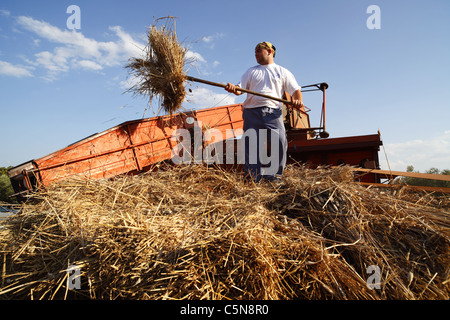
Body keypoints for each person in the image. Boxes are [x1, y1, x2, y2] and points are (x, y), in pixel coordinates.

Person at [225, 41, 304, 182]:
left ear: (269, 51)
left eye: (258, 51)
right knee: (251, 145)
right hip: (251, 113)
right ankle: (252, 178)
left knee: (279, 142)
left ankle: (273, 177)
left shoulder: (282, 71)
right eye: (255, 52)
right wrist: (233, 88)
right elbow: (239, 88)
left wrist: (298, 101)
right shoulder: (251, 71)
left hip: (273, 113)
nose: (255, 54)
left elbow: (295, 91)